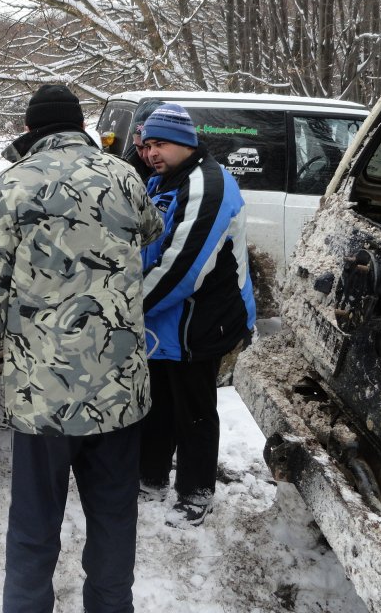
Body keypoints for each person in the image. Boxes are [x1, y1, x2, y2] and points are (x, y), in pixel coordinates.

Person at [0, 83, 163, 613]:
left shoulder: (11, 185)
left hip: (42, 394)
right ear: (81, 126)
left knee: (34, 523)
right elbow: (150, 230)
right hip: (118, 391)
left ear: (30, 130)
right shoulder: (125, 175)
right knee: (115, 520)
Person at [137, 102, 256, 527]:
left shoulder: (208, 184)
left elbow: (182, 267)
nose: (152, 153)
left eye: (161, 144)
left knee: (195, 410)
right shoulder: (162, 181)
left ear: (186, 142)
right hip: (165, 319)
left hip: (202, 318)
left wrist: (130, 307)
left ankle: (196, 492)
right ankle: (150, 477)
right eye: (147, 144)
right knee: (159, 402)